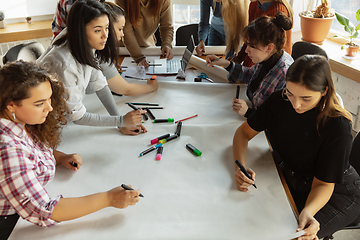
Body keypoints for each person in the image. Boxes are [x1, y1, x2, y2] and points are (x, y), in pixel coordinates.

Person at [0, 60, 141, 240]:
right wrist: (109, 199)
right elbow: (44, 211)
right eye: (39, 103)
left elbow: (31, 148)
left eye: (49, 98)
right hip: (11, 225)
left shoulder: (19, 122)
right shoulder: (8, 150)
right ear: (11, 105)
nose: (49, 108)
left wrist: (59, 157)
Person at [232, 55, 360, 239]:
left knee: (294, 235)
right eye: (290, 93)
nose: (296, 104)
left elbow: (323, 183)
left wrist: (309, 211)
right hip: (296, 177)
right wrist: (240, 167)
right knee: (254, 218)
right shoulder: (280, 100)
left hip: (337, 192)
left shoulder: (337, 126)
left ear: (324, 91)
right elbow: (243, 133)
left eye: (306, 98)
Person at [38, 0, 146, 135]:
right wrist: (121, 120)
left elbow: (100, 84)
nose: (105, 35)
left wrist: (120, 122)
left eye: (107, 28)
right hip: (41, 124)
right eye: (97, 30)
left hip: (57, 119)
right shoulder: (65, 65)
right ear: (80, 31)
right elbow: (79, 117)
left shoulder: (86, 45)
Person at [51, 0, 159, 97]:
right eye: (120, 29)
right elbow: (125, 89)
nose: (123, 34)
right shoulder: (90, 52)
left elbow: (101, 86)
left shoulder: (91, 46)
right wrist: (151, 87)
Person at [206, 12, 293, 117]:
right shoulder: (268, 57)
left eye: (252, 46)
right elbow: (250, 75)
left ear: (269, 48)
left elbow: (276, 118)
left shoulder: (284, 75)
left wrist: (248, 112)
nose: (247, 50)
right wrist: (226, 64)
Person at [232, 0, 293, 67]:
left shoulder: (277, 11)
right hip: (258, 57)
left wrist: (242, 69)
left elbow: (260, 48)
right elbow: (251, 39)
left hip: (272, 65)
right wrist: (238, 59)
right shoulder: (254, 4)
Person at [115, 0, 174, 68]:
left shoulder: (163, 1)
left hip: (147, 46)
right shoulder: (122, 1)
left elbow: (166, 27)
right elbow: (127, 32)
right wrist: (139, 58)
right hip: (125, 48)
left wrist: (167, 44)